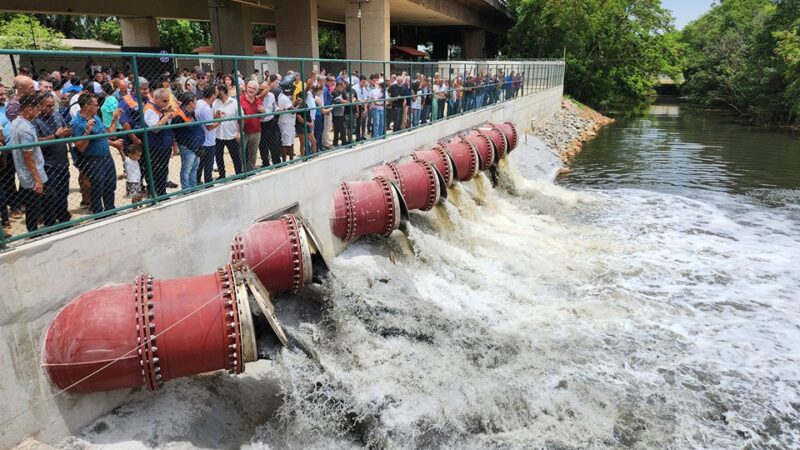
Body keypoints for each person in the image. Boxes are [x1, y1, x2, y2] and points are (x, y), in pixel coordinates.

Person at [8, 94, 48, 232]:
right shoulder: (25, 129)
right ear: (29, 109)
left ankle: (41, 226)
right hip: (32, 174)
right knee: (35, 205)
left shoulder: (15, 122)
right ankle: (34, 232)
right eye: (37, 108)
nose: (39, 111)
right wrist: (37, 179)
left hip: (25, 173)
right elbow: (28, 156)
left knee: (39, 201)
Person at [34, 95, 72, 225]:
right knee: (50, 196)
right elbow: (36, 141)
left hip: (62, 162)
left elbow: (65, 129)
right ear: (39, 106)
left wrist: (68, 131)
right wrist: (55, 136)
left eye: (52, 105)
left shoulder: (57, 115)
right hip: (48, 165)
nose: (51, 108)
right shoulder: (35, 120)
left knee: (63, 193)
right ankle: (49, 222)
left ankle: (63, 218)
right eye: (48, 106)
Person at [142, 88, 178, 196]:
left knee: (163, 171)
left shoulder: (159, 107)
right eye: (165, 101)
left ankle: (161, 192)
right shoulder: (149, 109)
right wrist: (166, 115)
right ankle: (156, 194)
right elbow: (155, 128)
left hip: (163, 145)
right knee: (156, 172)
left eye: (168, 100)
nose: (167, 103)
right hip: (156, 146)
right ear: (156, 98)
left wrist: (167, 113)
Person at [171, 92, 204, 190]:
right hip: (187, 147)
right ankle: (186, 189)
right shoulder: (179, 115)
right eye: (195, 101)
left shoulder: (190, 112)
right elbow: (175, 133)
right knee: (187, 170)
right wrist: (175, 147)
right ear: (190, 103)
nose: (196, 103)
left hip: (195, 145)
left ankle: (193, 187)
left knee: (194, 169)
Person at [212, 85, 241, 177]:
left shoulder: (234, 102)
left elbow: (241, 118)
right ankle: (222, 175)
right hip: (219, 135)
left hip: (231, 135)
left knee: (235, 156)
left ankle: (239, 174)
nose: (215, 93)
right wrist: (216, 117)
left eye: (217, 91)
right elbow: (212, 117)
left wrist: (238, 132)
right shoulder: (215, 103)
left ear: (222, 92)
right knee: (219, 157)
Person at [194, 85, 220, 185]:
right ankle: (208, 183)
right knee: (208, 164)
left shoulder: (199, 102)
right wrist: (219, 121)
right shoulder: (206, 108)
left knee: (200, 164)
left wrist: (213, 117)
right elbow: (209, 127)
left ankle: (197, 181)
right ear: (212, 95)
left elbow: (204, 118)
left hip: (200, 139)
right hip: (208, 140)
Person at [240, 80, 264, 171]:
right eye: (249, 87)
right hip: (243, 131)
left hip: (256, 131)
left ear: (257, 91)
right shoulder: (240, 99)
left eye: (254, 88)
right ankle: (241, 171)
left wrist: (264, 111)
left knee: (253, 153)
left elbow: (263, 116)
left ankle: (251, 170)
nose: (251, 90)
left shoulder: (258, 101)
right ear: (246, 87)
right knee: (241, 152)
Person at [259, 76, 281, 167]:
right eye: (261, 89)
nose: (262, 91)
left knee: (273, 143)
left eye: (264, 89)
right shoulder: (258, 97)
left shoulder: (271, 95)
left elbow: (274, 107)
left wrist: (278, 109)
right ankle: (265, 163)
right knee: (262, 145)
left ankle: (276, 162)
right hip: (261, 123)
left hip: (270, 122)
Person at [331, 81, 350, 147]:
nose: (342, 89)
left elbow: (346, 99)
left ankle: (340, 142)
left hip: (340, 114)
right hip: (336, 114)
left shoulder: (340, 92)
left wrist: (346, 100)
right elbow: (342, 101)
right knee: (338, 129)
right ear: (338, 86)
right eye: (341, 87)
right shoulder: (334, 92)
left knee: (340, 129)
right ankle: (339, 142)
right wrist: (346, 101)